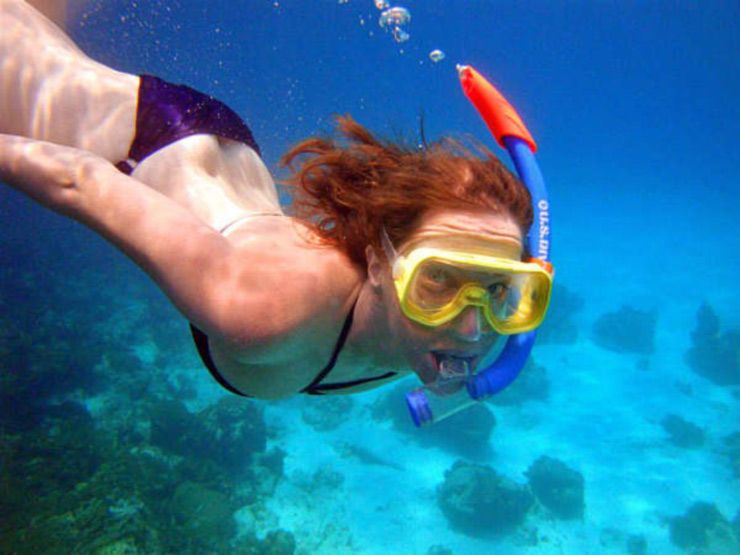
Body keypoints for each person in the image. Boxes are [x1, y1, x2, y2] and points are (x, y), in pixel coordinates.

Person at [0, 0, 551, 402]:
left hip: (232, 171)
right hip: (151, 142)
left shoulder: (456, 330)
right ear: (380, 262)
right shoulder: (265, 310)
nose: (473, 331)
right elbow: (80, 182)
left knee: (38, 37)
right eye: (440, 280)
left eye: (501, 291)